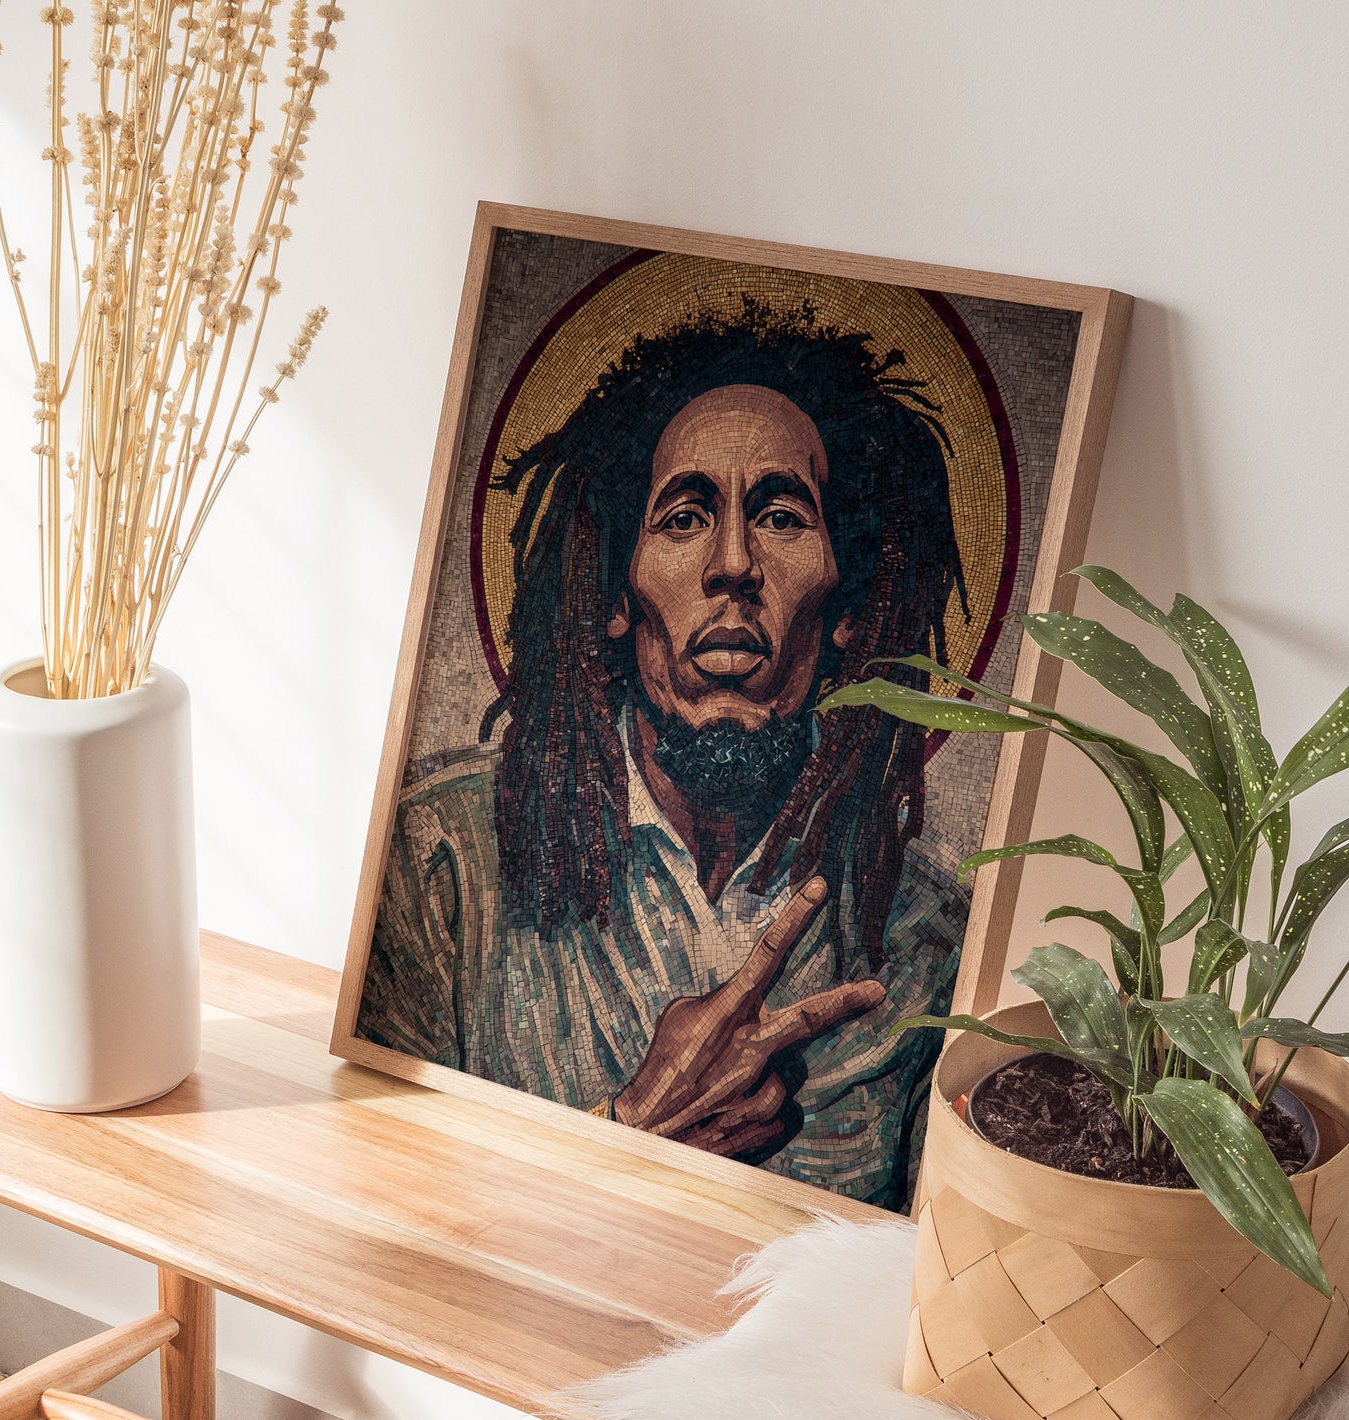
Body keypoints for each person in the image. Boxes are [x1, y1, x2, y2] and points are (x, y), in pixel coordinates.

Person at [361, 300, 974, 1211]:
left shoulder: (928, 937)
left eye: (780, 516)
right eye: (685, 517)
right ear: (616, 590)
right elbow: (376, 1200)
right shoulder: (440, 861)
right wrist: (635, 1131)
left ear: (850, 602)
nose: (733, 563)